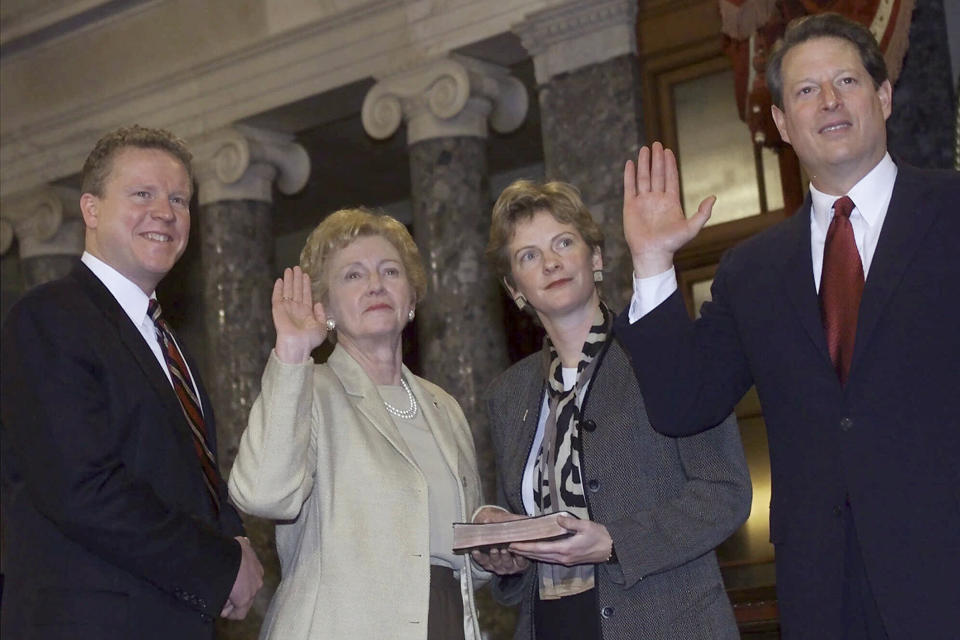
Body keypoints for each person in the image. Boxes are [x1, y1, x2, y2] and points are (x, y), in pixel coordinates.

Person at [616, 13, 960, 640]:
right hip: (825, 592)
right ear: (780, 124)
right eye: (805, 90)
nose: (828, 101)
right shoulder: (753, 269)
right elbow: (682, 403)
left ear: (882, 97)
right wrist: (652, 261)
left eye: (847, 82)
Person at [0, 125, 263, 639]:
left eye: (179, 199)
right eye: (142, 194)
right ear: (91, 210)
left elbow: (191, 476)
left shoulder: (167, 341)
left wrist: (235, 538)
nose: (165, 212)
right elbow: (82, 487)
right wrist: (218, 564)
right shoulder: (49, 317)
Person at [471, 179, 751, 640]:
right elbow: (525, 543)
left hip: (668, 623)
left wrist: (616, 542)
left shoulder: (661, 351)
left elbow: (727, 491)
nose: (551, 262)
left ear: (596, 258)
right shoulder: (509, 395)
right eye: (528, 255)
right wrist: (506, 556)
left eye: (564, 242)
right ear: (514, 288)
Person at [227, 208, 486, 640]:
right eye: (353, 275)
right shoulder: (307, 389)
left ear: (412, 299)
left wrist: (489, 554)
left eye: (390, 271)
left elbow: (459, 558)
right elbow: (264, 495)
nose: (375, 284)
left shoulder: (445, 407)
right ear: (324, 308)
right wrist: (291, 354)